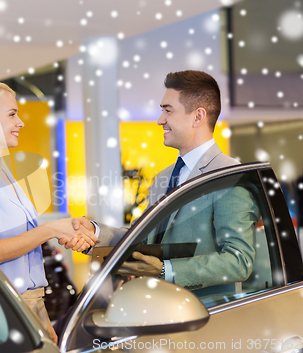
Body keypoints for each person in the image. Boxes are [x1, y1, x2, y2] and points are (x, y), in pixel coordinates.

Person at [66, 70, 259, 293]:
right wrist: (94, 232)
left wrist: (165, 270)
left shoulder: (228, 176)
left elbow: (238, 261)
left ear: (198, 116)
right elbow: (143, 239)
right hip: (159, 310)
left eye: (168, 111)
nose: (160, 120)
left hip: (206, 316)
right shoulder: (164, 177)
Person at [0, 82, 98, 344]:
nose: (20, 123)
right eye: (11, 114)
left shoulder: (2, 174)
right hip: (2, 310)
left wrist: (43, 318)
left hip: (29, 305)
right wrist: (50, 230)